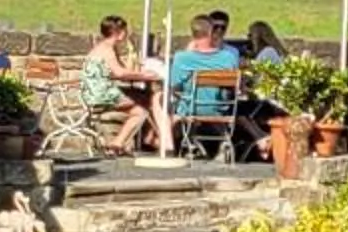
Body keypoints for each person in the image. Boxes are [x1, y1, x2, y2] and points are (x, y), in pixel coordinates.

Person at [82, 13, 165, 155]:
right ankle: (157, 138)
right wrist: (144, 75)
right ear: (118, 32)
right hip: (102, 95)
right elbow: (120, 73)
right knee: (148, 99)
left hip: (93, 93)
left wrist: (135, 71)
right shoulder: (107, 49)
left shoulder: (102, 48)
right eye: (125, 31)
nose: (126, 34)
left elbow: (117, 72)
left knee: (140, 111)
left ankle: (117, 144)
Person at [167, 16, 243, 150]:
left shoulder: (183, 58)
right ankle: (219, 143)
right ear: (211, 33)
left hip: (190, 108)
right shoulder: (228, 57)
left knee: (160, 101)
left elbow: (174, 86)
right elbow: (235, 87)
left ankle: (168, 145)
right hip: (219, 109)